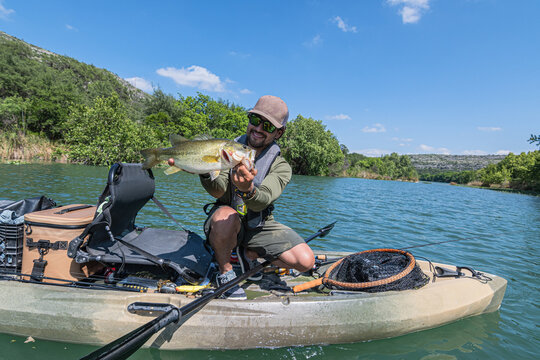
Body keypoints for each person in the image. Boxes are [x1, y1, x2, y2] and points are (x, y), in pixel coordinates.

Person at [199, 95, 315, 300]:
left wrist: (247, 189)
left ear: (279, 132)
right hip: (226, 221)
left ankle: (249, 255)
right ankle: (226, 273)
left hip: (258, 225)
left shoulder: (281, 167)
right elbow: (217, 190)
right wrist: (204, 171)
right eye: (255, 121)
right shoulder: (227, 150)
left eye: (268, 126)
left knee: (306, 261)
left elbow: (263, 199)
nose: (259, 129)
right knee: (225, 215)